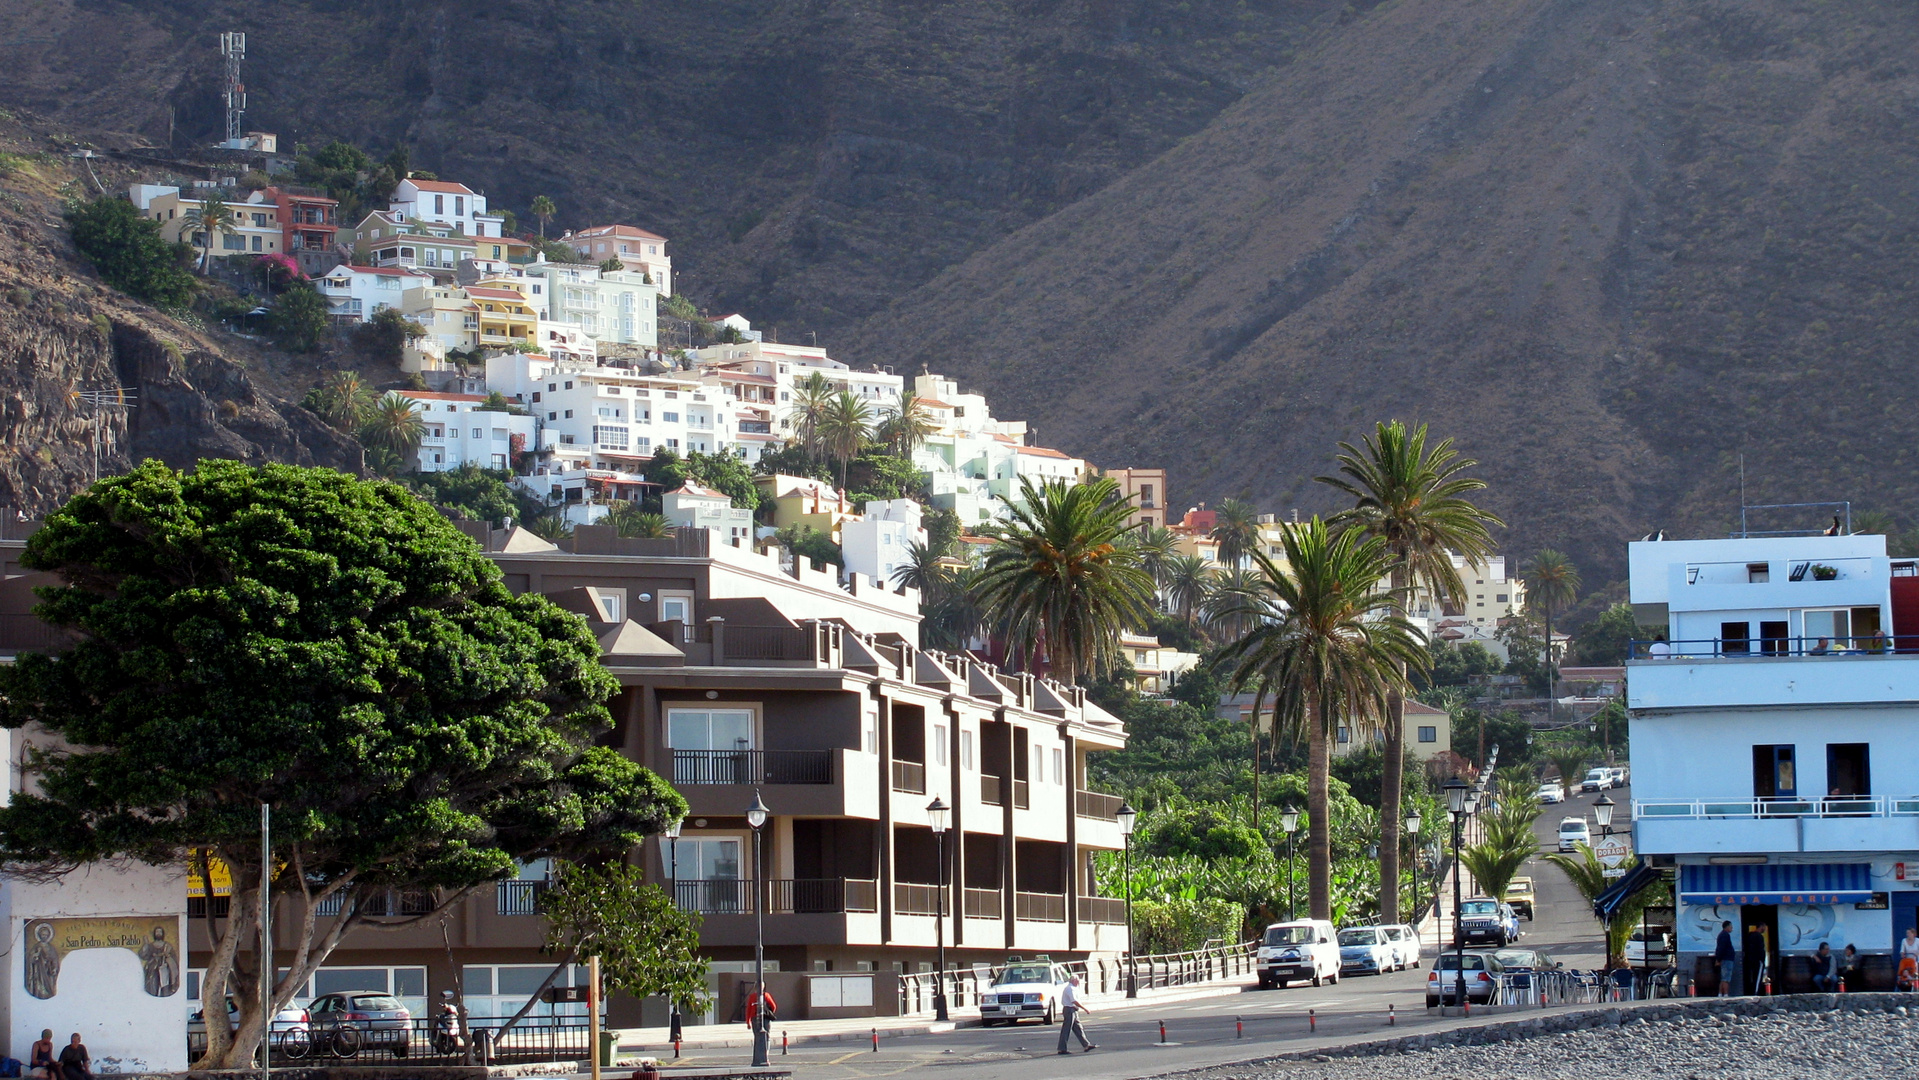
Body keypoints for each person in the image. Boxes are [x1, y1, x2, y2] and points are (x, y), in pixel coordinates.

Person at [1055, 974, 1095, 1055]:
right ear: (1073, 980)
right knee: (1066, 1030)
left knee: (1078, 1028)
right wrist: (1085, 1008)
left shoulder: (1073, 988)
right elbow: (1074, 1001)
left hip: (1073, 1010)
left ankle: (1086, 1045)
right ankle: (1062, 1049)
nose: (1078, 982)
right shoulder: (1070, 988)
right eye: (1077, 980)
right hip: (1069, 1009)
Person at [1714, 921, 1738, 996]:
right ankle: (1726, 994)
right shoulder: (1725, 935)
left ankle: (1720, 993)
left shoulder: (1722, 935)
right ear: (1727, 927)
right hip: (1726, 959)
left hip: (1724, 958)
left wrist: (1718, 958)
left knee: (1723, 978)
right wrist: (1718, 959)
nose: (1732, 928)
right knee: (1726, 978)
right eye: (1731, 926)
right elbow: (1721, 948)